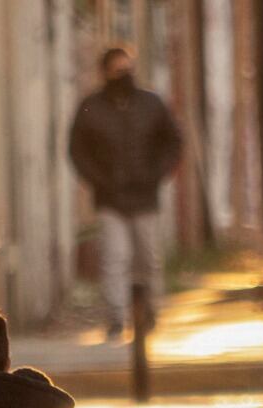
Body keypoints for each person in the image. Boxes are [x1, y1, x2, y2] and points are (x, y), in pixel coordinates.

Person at [69, 46, 183, 339]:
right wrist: (99, 179)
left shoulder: (151, 104)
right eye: (118, 70)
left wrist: (157, 173)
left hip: (145, 196)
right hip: (110, 198)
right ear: (105, 73)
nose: (124, 75)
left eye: (128, 69)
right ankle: (116, 317)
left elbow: (172, 141)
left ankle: (148, 311)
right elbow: (77, 150)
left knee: (148, 256)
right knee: (114, 257)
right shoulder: (91, 108)